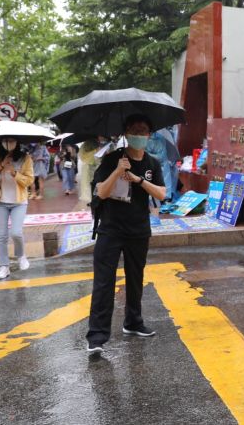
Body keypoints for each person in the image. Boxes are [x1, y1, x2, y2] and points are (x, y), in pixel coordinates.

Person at [86, 114, 166, 353]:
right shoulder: (112, 159)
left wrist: (138, 179)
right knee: (103, 283)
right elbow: (100, 192)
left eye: (143, 132)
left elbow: (161, 194)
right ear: (126, 134)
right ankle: (97, 336)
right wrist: (118, 171)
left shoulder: (152, 163)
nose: (139, 136)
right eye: (134, 131)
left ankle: (133, 322)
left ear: (149, 136)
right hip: (110, 230)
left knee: (135, 279)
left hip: (138, 230)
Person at [0, 138, 34, 280]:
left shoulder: (25, 158)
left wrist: (14, 173)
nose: (9, 143)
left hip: (19, 201)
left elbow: (29, 180)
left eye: (12, 140)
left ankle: (21, 255)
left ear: (17, 142)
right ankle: (4, 266)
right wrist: (0, 167)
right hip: (0, 201)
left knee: (16, 233)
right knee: (2, 236)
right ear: (0, 142)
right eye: (6, 141)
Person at [78, 137, 106, 204]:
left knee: (88, 184)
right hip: (92, 167)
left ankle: (91, 199)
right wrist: (99, 150)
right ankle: (93, 199)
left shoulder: (85, 143)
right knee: (93, 183)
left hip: (87, 167)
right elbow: (96, 156)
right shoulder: (93, 143)